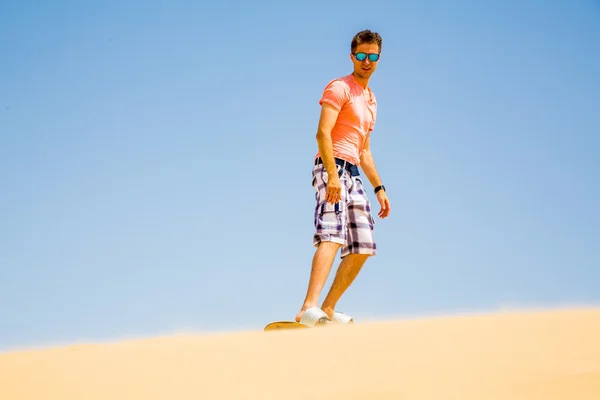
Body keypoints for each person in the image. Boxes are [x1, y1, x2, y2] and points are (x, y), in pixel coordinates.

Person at [295, 29, 391, 326]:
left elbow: (364, 152)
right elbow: (322, 133)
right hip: (330, 167)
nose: (366, 61)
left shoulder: (371, 100)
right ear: (352, 57)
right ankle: (307, 307)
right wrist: (333, 176)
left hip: (354, 173)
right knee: (332, 234)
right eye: (361, 55)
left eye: (372, 56)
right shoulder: (340, 88)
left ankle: (327, 308)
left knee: (363, 245)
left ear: (378, 59)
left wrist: (380, 188)